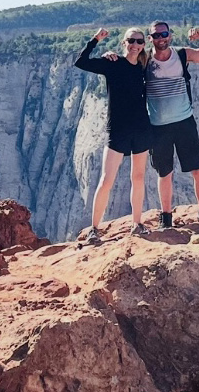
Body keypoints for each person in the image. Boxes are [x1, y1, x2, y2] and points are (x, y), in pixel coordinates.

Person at [74, 27, 151, 242]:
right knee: (106, 180)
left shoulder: (144, 68)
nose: (135, 45)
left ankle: (137, 224)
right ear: (124, 43)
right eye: (131, 41)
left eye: (139, 41)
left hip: (141, 129)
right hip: (117, 130)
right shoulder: (113, 64)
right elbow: (81, 62)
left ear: (144, 45)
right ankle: (94, 228)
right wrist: (96, 39)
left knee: (138, 177)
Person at [146, 21, 199, 228]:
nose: (160, 38)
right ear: (150, 39)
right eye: (156, 35)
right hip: (158, 126)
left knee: (198, 167)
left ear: (169, 35)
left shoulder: (182, 54)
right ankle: (166, 218)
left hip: (184, 123)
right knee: (164, 173)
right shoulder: (143, 59)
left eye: (163, 34)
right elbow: (123, 64)